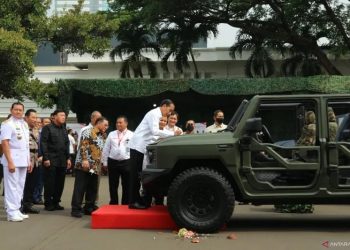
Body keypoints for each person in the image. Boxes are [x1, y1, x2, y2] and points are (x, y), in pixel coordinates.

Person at [128, 99, 182, 209]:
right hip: (137, 146)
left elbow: (154, 135)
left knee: (139, 175)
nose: (170, 113)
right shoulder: (154, 114)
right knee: (135, 176)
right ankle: (133, 201)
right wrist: (173, 134)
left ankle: (137, 200)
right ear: (164, 106)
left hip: (142, 147)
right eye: (170, 110)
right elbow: (155, 131)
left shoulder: (157, 115)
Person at [71, 117, 109, 217]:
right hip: (84, 165)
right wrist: (84, 159)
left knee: (92, 186)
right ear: (99, 123)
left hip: (94, 167)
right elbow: (83, 146)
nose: (107, 127)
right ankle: (75, 209)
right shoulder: (88, 131)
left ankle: (89, 207)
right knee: (80, 187)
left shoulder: (103, 135)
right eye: (105, 125)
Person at [1, 102, 31, 222]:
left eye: (20, 110)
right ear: (11, 110)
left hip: (23, 159)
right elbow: (5, 143)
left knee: (20, 185)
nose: (18, 112)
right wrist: (10, 161)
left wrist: (28, 160)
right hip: (12, 159)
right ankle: (11, 212)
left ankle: (17, 209)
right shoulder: (7, 124)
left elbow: (26, 145)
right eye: (16, 109)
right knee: (11, 186)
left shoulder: (24, 123)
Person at [40, 109, 71, 211]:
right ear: (54, 116)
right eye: (61, 115)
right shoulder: (47, 128)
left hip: (62, 160)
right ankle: (48, 203)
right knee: (50, 182)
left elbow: (67, 144)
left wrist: (68, 158)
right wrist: (46, 158)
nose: (63, 117)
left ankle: (56, 201)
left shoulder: (64, 129)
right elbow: (43, 143)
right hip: (51, 159)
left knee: (60, 182)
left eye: (64, 116)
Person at [102, 116, 133, 205]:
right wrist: (105, 162)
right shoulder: (111, 134)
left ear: (126, 123)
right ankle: (113, 202)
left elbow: (134, 149)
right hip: (113, 162)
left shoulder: (131, 134)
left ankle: (125, 203)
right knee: (113, 185)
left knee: (126, 185)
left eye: (120, 122)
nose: (118, 124)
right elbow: (106, 148)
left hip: (126, 162)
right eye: (117, 122)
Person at [22, 109, 40, 214]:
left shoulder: (35, 130)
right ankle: (20, 205)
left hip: (35, 160)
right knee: (23, 184)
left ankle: (28, 205)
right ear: (26, 117)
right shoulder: (23, 129)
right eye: (33, 117)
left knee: (31, 184)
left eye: (36, 117)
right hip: (25, 160)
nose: (35, 120)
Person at [33, 117, 51, 205]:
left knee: (41, 180)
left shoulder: (47, 133)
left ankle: (38, 197)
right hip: (35, 158)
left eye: (49, 122)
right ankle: (35, 197)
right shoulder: (37, 132)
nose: (47, 124)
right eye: (45, 122)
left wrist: (43, 156)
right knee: (35, 180)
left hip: (43, 158)